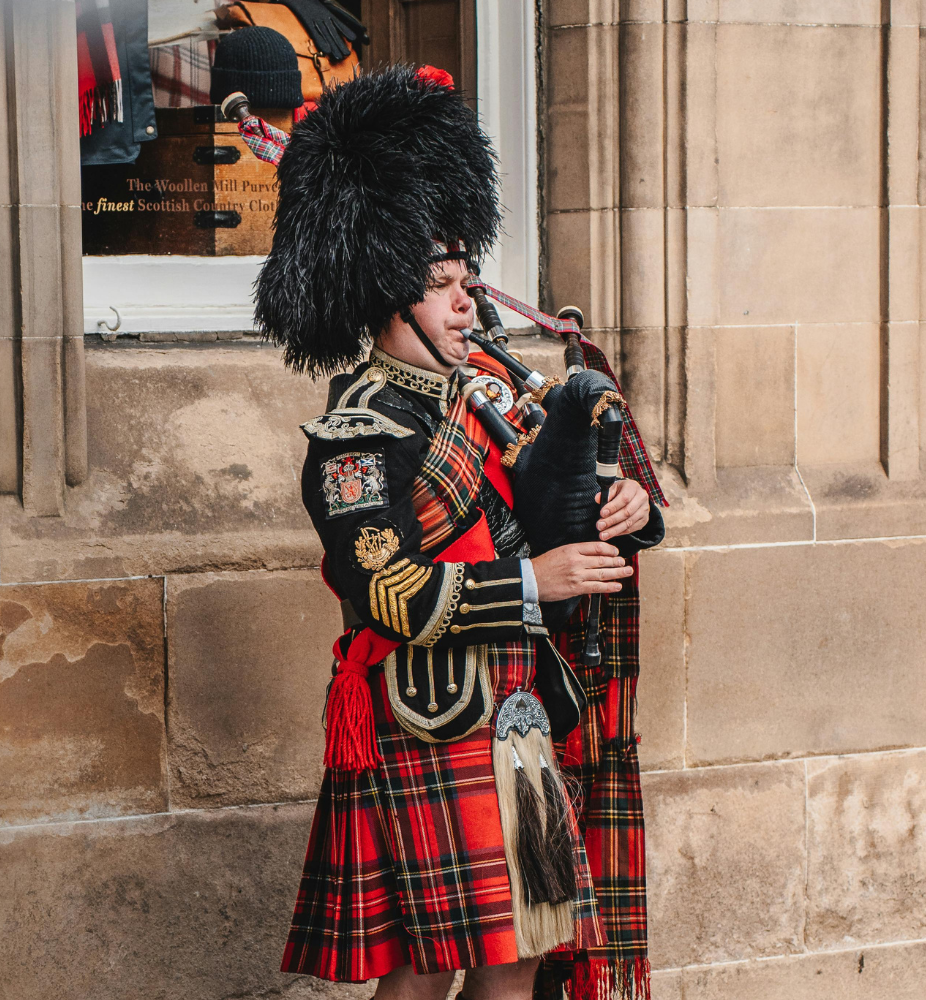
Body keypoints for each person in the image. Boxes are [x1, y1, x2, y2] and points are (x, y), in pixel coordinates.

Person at [252, 66, 664, 1000]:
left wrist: (630, 511)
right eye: (440, 288)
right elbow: (386, 592)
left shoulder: (488, 390)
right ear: (384, 298)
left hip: (519, 707)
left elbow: (562, 494)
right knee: (429, 969)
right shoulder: (360, 434)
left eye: (464, 280)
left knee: (517, 955)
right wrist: (536, 585)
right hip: (431, 715)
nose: (465, 303)